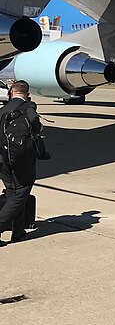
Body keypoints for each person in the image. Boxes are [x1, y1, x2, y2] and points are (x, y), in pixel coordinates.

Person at [0, 80, 41, 242]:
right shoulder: (28, 107)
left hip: (3, 159)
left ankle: (18, 230)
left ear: (11, 93)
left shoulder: (3, 109)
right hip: (21, 158)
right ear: (27, 95)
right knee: (22, 190)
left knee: (12, 190)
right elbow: (34, 123)